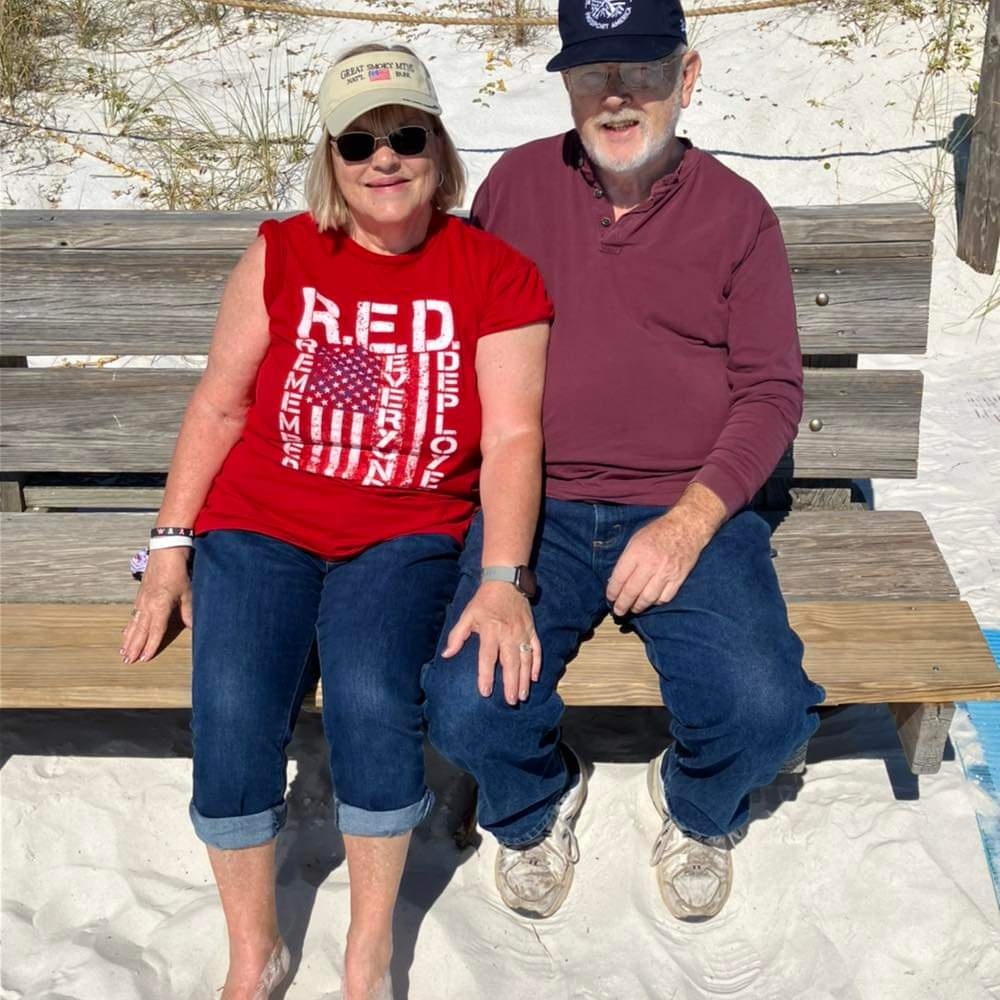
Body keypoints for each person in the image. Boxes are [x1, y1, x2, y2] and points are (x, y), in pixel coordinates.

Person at [119, 43, 551, 1000]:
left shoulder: (495, 273)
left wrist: (503, 575)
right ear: (330, 157)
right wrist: (169, 545)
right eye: (358, 143)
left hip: (403, 534)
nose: (382, 159)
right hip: (259, 524)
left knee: (369, 697)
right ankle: (256, 952)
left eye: (404, 136)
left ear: (438, 150)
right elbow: (220, 407)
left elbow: (515, 434)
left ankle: (365, 954)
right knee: (231, 709)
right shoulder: (283, 250)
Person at [423, 0, 826, 922]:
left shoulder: (738, 216)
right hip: (538, 504)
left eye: (642, 72)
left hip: (687, 506)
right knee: (463, 702)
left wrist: (690, 522)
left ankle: (694, 804)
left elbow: (771, 393)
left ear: (687, 79)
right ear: (567, 84)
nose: (616, 99)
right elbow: (464, 343)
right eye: (593, 74)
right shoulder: (516, 189)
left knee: (766, 714)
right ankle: (534, 803)